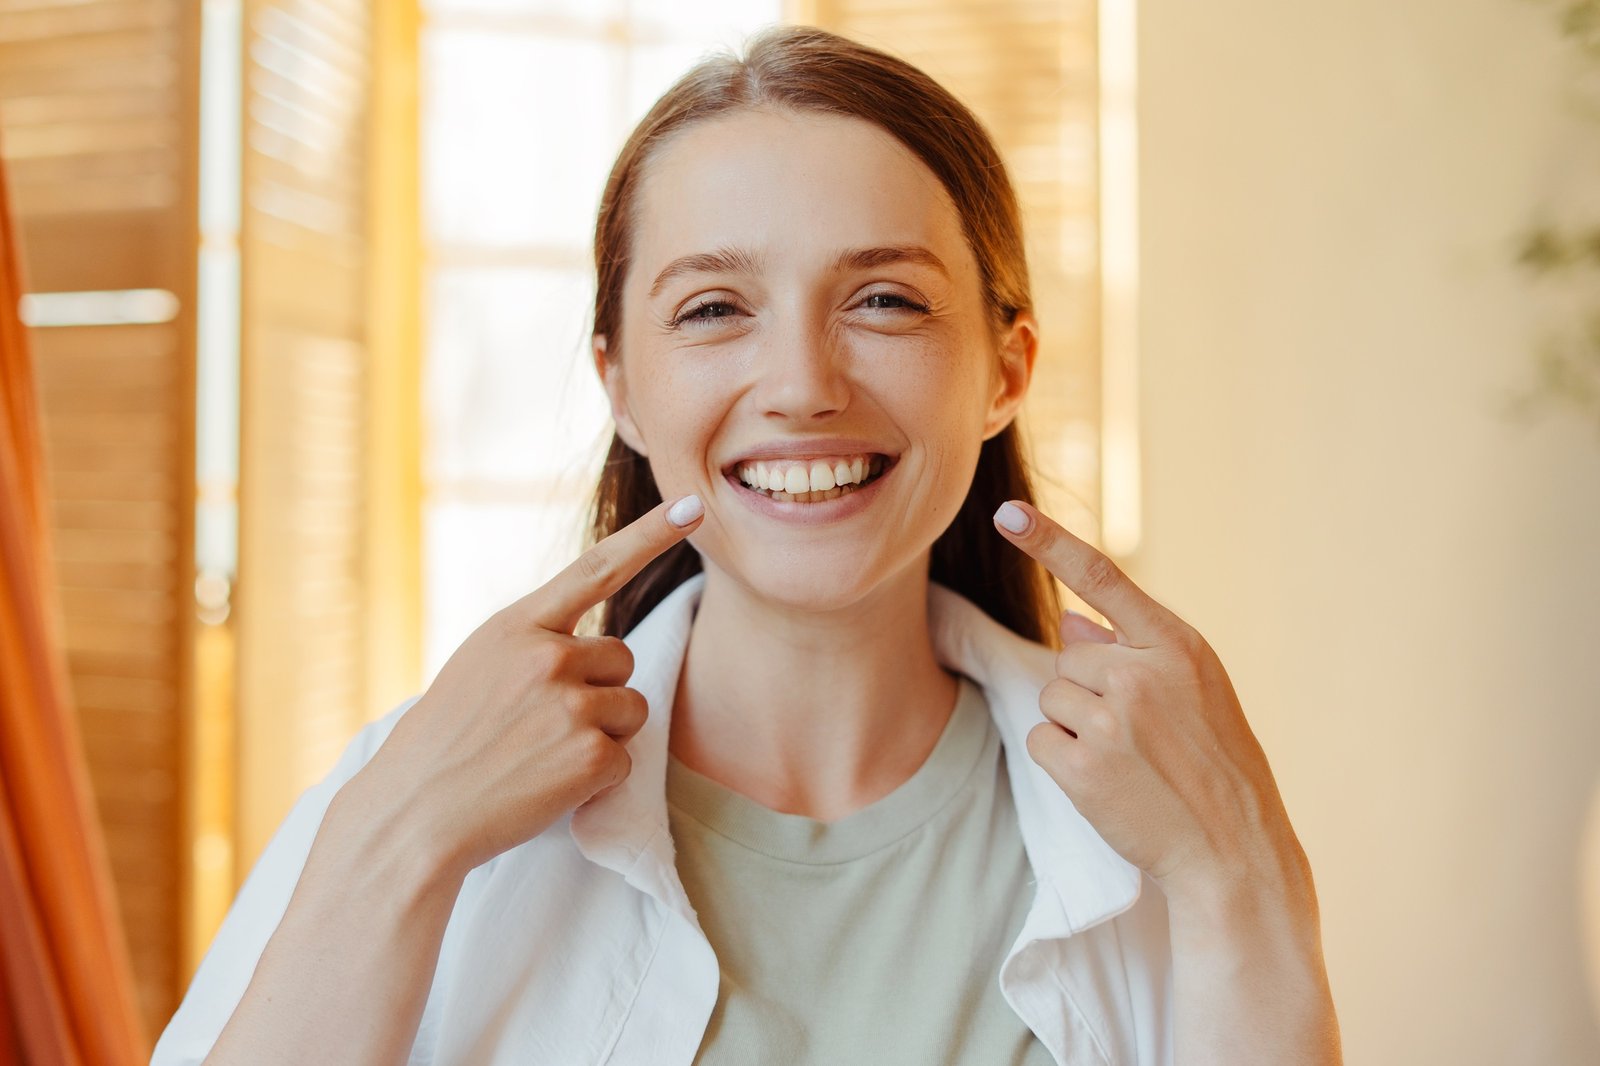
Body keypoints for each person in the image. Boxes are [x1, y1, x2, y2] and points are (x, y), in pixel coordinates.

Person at [153, 24, 1341, 1066]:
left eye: (884, 299)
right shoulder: (406, 795)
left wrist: (1248, 876)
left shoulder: (1158, 823)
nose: (800, 386)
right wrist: (398, 839)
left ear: (1005, 370)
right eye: (714, 309)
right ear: (619, 382)